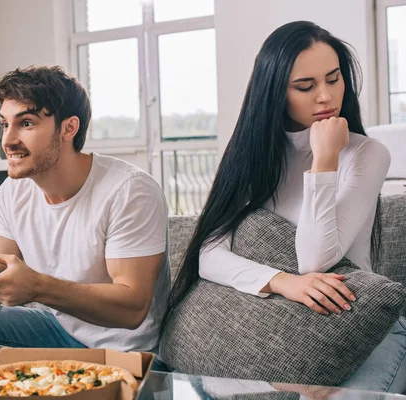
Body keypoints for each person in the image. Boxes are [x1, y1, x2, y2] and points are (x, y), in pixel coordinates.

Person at [163, 21, 405, 393]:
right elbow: (209, 256)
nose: (325, 96)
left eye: (334, 78)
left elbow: (315, 260)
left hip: (359, 326)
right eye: (305, 86)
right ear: (275, 91)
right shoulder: (255, 157)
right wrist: (284, 283)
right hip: (287, 331)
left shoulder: (367, 153)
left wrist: (324, 160)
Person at [0, 66, 170, 359]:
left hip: (124, 350)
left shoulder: (130, 190)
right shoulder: (13, 191)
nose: (8, 140)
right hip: (60, 330)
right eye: (5, 124)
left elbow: (132, 309)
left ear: (69, 128)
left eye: (26, 123)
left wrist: (38, 287)